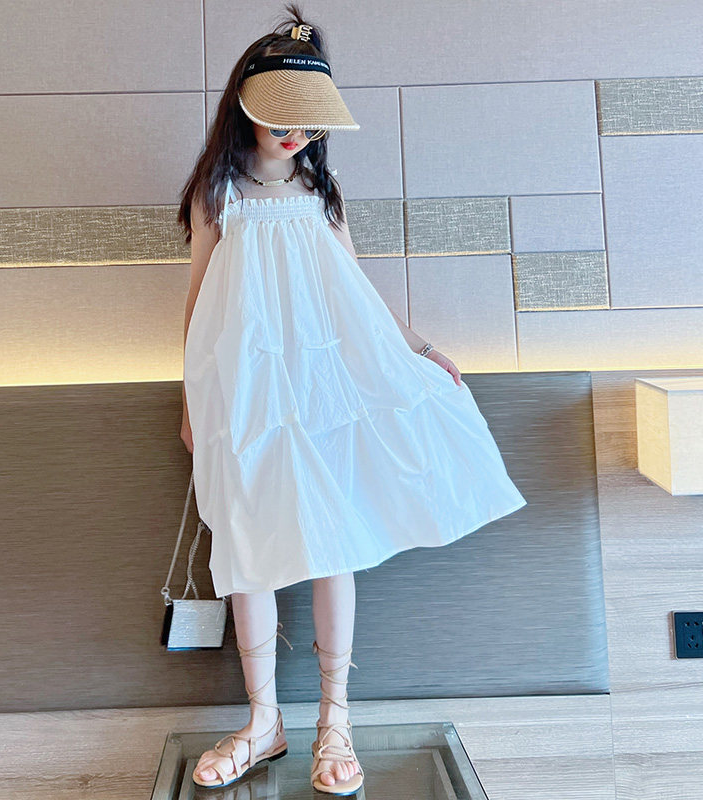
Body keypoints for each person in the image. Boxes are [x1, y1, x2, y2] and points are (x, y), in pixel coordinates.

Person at [176, 5, 527, 794]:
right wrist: (192, 403)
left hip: (324, 391)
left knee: (332, 541)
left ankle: (336, 721)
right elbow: (197, 306)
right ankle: (263, 722)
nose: (295, 135)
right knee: (247, 548)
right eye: (281, 119)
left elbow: (356, 291)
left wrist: (419, 349)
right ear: (244, 105)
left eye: (308, 122)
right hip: (245, 392)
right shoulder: (217, 193)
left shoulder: (321, 191)